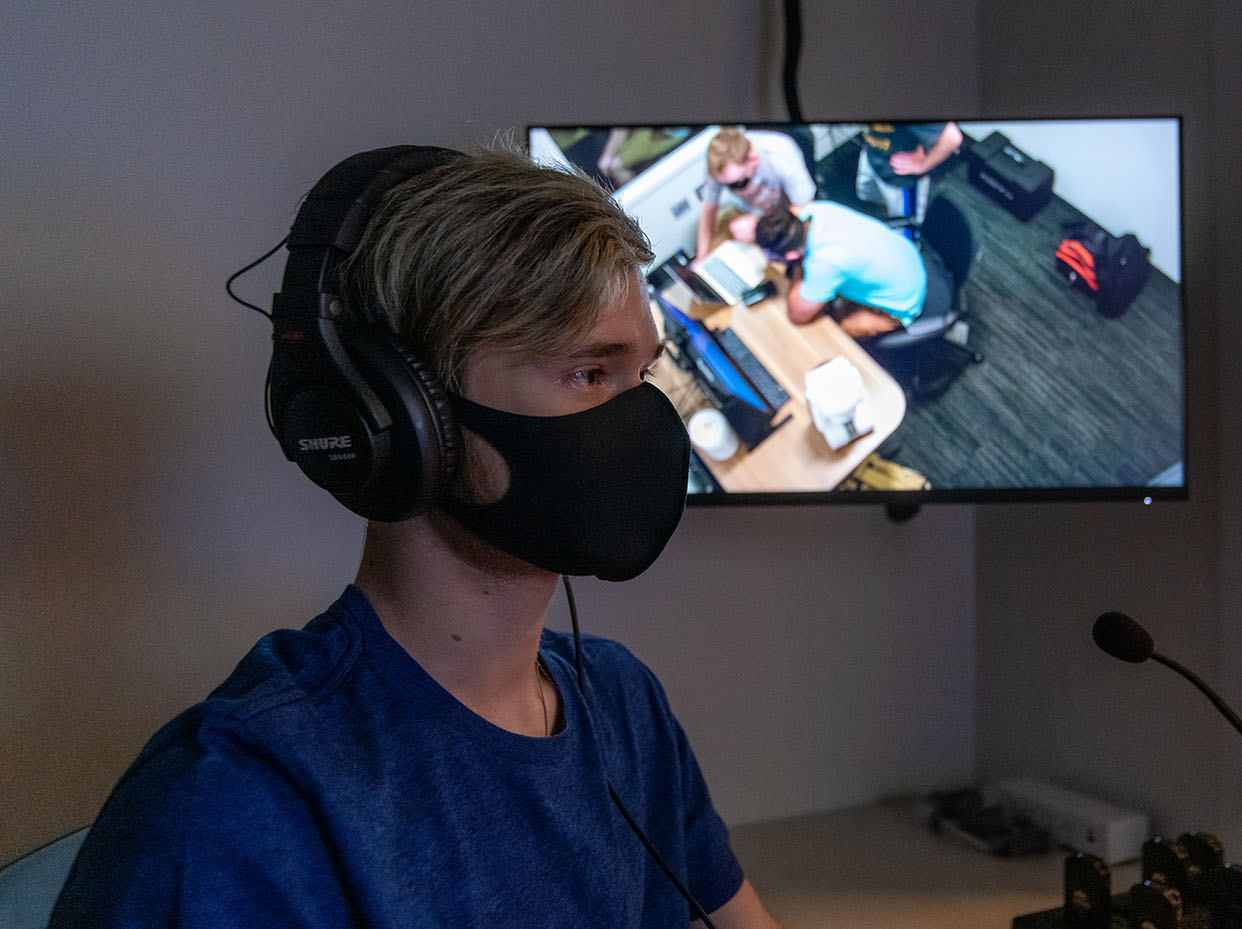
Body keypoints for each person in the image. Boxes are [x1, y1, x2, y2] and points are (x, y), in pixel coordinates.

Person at [49, 145, 784, 929]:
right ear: (407, 416)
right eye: (588, 373)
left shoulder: (621, 703)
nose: (639, 423)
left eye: (640, 374)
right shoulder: (239, 803)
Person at [753, 196, 932, 340]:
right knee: (823, 299)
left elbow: (797, 316)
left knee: (830, 331)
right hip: (908, 259)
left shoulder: (825, 263)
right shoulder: (817, 210)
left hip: (902, 305)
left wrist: (798, 271)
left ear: (791, 255)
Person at [695, 127, 814, 261]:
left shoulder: (780, 156)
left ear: (753, 158)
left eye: (740, 183)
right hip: (757, 218)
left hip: (787, 220)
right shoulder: (720, 167)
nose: (739, 189)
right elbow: (708, 212)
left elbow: (806, 213)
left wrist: (759, 226)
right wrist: (701, 257)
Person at [856, 121, 964, 227]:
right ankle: (886, 211)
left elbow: (952, 138)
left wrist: (924, 165)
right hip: (872, 155)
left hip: (901, 178)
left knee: (905, 223)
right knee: (867, 194)